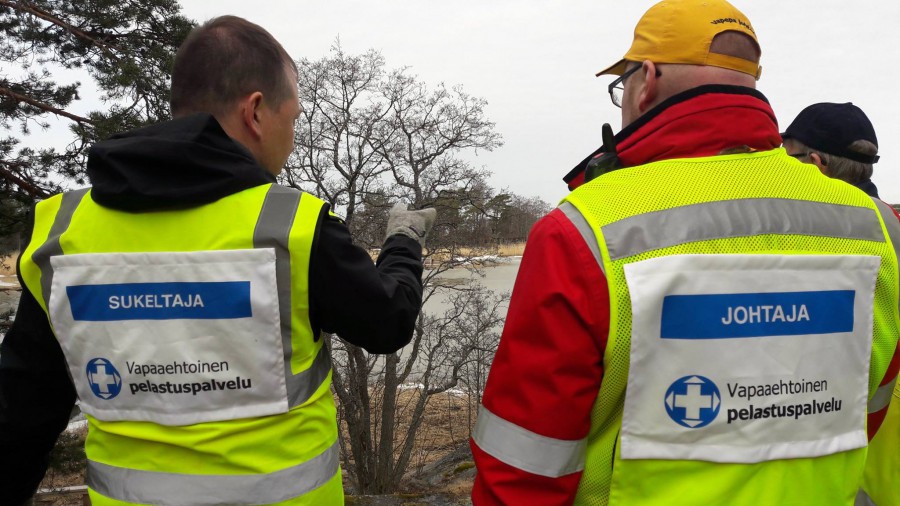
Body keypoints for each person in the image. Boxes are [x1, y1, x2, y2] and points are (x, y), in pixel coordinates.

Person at [470, 1, 900, 505]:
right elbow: (866, 408)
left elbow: (524, 472)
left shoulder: (585, 231)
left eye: (622, 85)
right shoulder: (879, 228)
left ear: (646, 80)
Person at [0, 16, 435, 506]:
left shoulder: (61, 234)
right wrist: (404, 239)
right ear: (256, 112)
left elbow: (22, 413)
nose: (292, 136)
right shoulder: (290, 228)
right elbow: (388, 322)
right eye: (292, 117)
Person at [781, 102, 899, 506]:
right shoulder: (890, 226)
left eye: (788, 158)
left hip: (839, 459)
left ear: (815, 163)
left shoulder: (806, 239)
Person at [782, 102, 882, 198]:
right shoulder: (885, 210)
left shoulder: (793, 208)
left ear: (815, 164)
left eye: (785, 157)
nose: (780, 164)